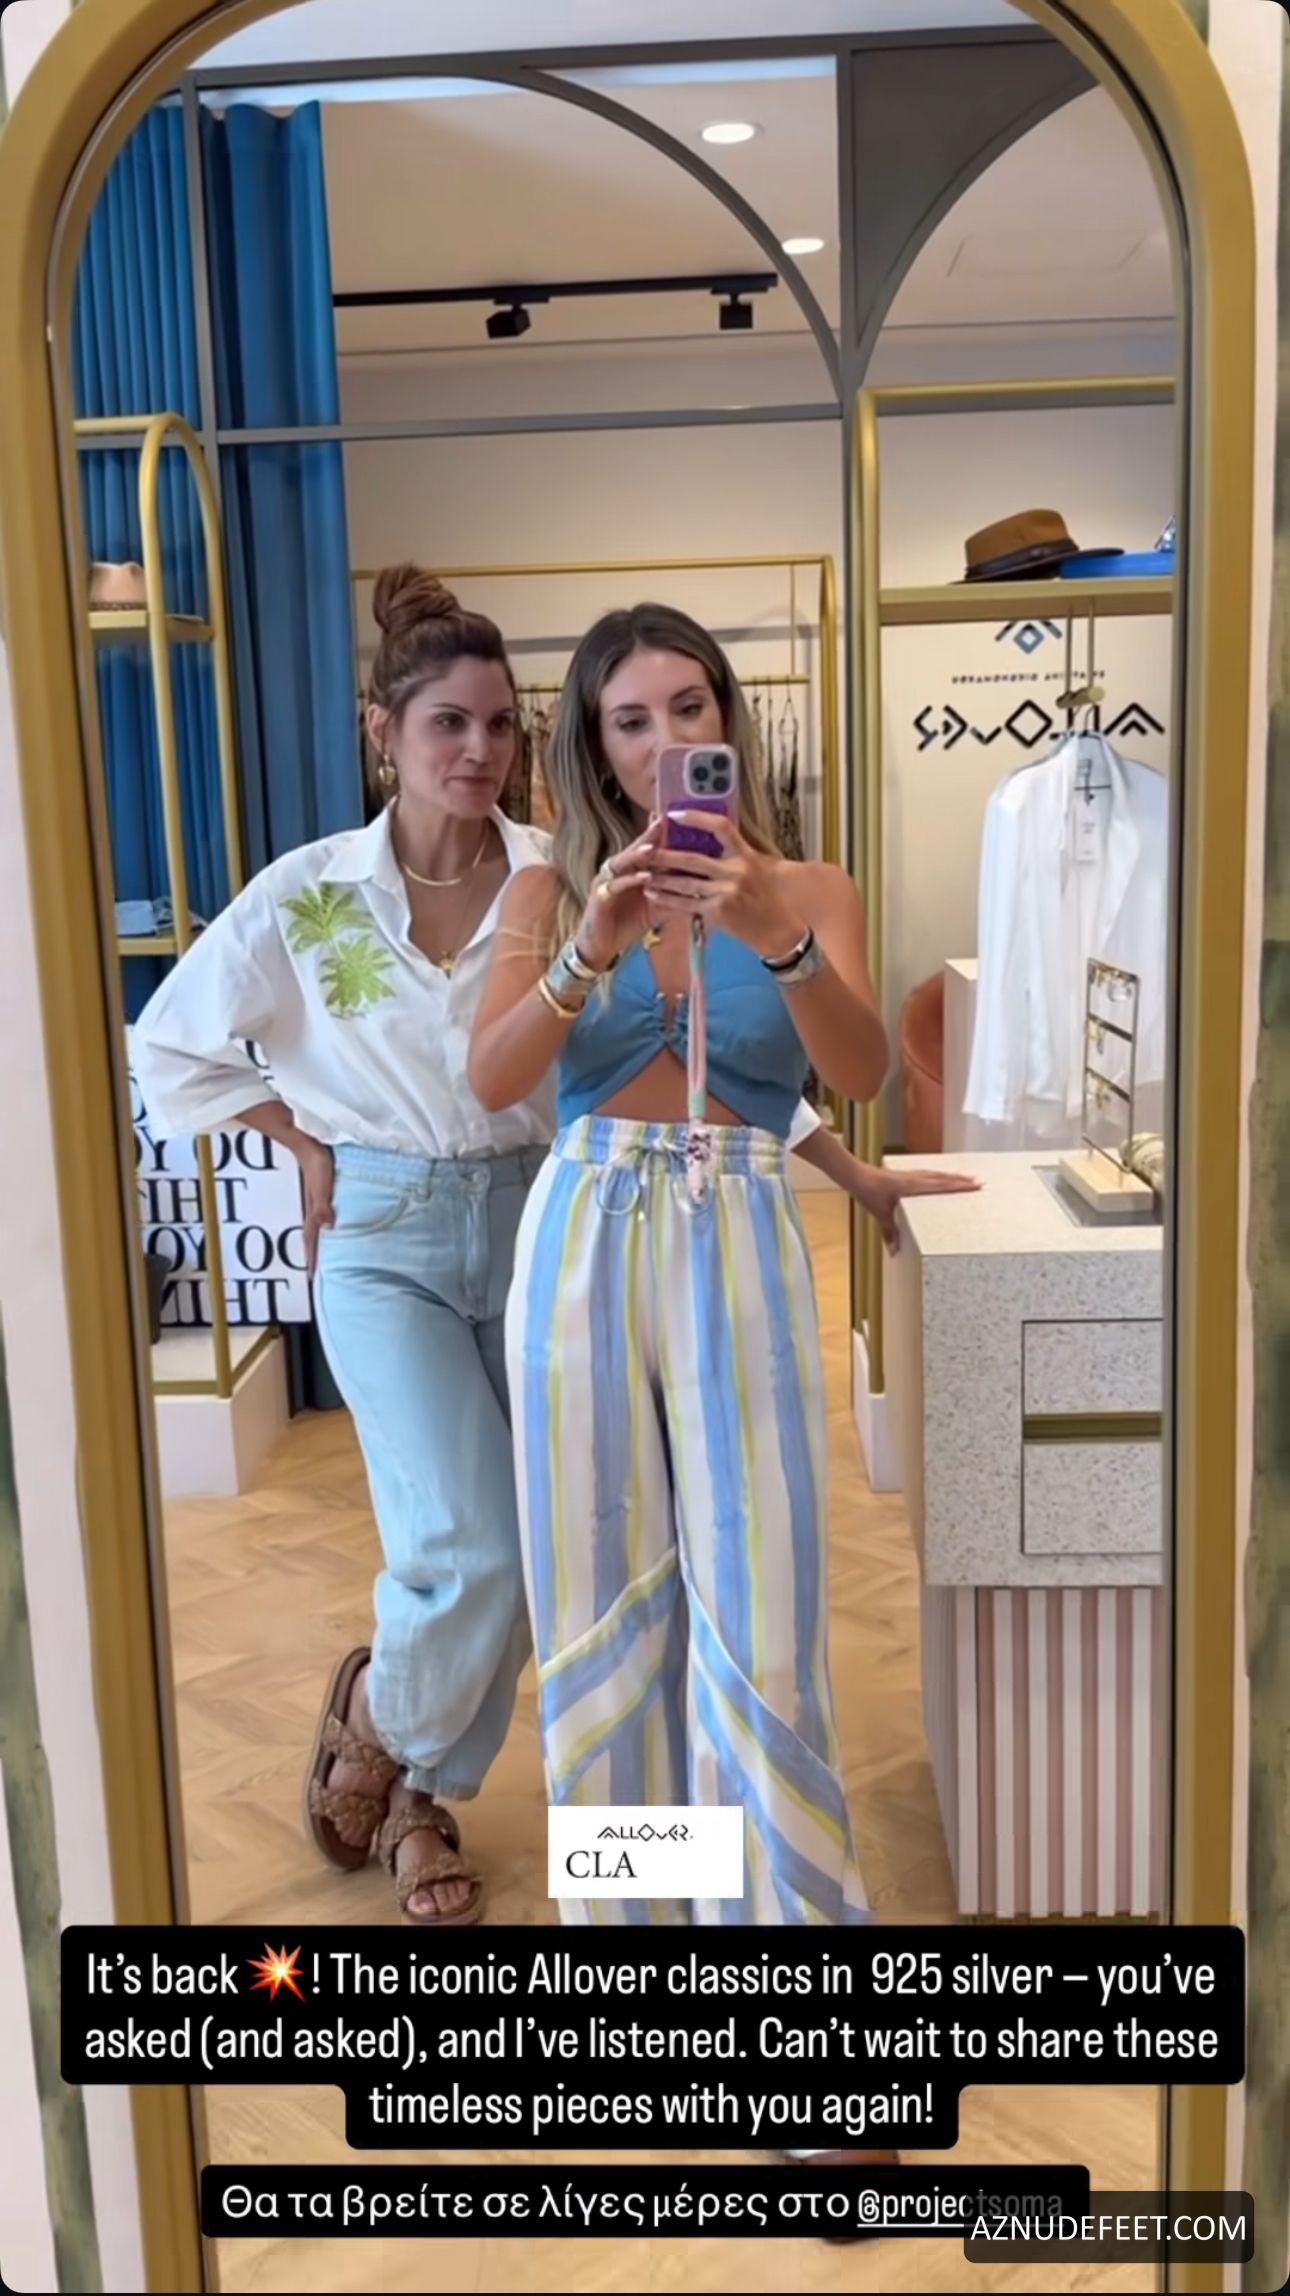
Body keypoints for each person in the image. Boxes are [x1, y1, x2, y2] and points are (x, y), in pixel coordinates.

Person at [469, 601, 902, 1933]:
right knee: (598, 1599)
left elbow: (862, 1073)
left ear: (728, 719)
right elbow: (493, 1082)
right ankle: (636, 1941)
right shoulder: (545, 894)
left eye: (687, 709)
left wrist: (778, 937)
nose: (663, 742)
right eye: (629, 720)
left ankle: (778, 1945)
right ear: (594, 746)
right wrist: (588, 947)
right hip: (582, 1242)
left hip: (742, 1239)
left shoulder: (810, 889)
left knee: (765, 1596)